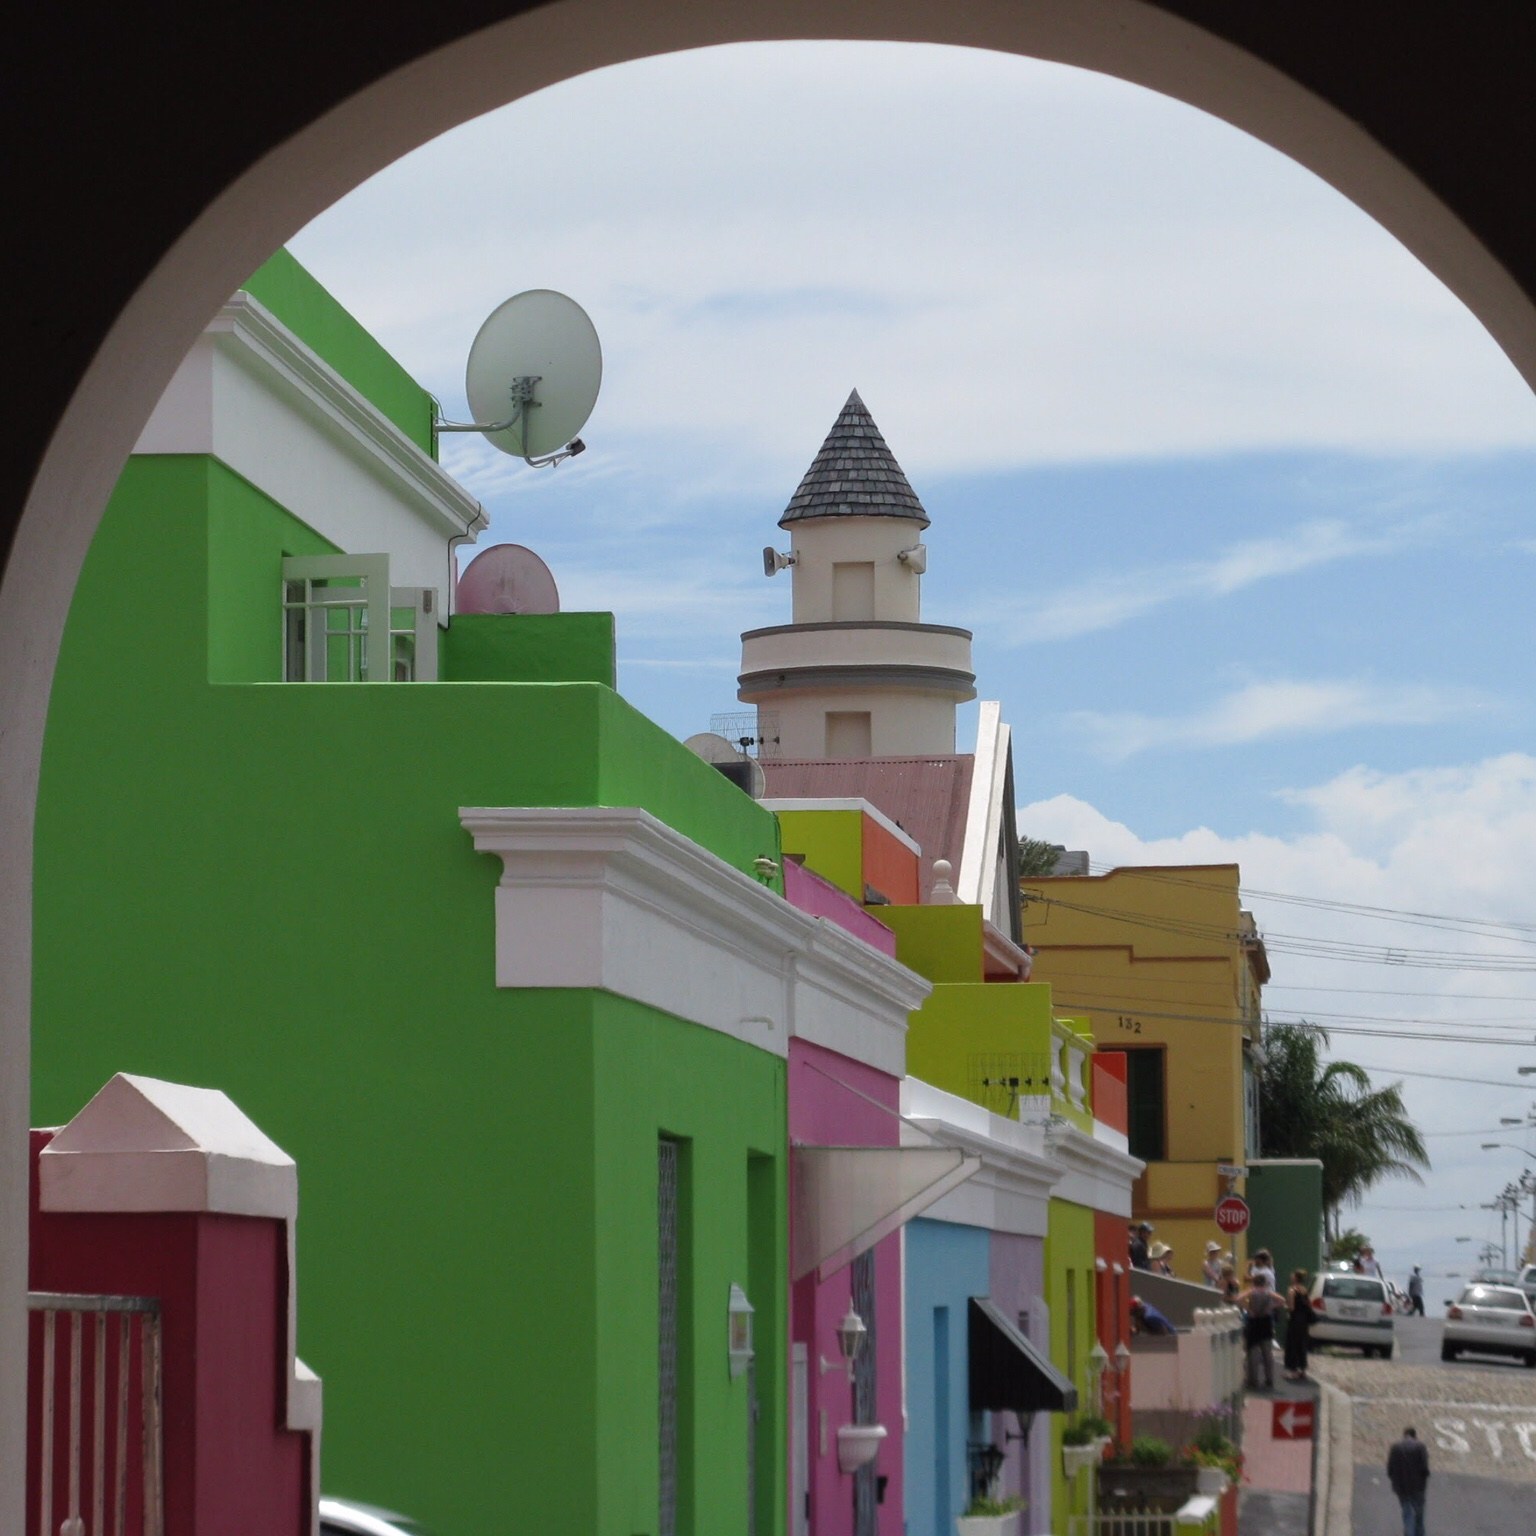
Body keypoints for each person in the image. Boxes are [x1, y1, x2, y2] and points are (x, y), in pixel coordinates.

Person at [1238, 1272, 1280, 1390]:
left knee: (1253, 1352)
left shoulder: (1252, 1291)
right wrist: (1270, 1307)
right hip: (1265, 1322)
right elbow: (1281, 1300)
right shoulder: (1267, 1292)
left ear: (1254, 1282)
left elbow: (1239, 1298)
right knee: (1267, 1352)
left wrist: (1248, 1308)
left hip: (1254, 1322)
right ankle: (1269, 1379)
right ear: (1264, 1282)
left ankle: (1253, 1380)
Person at [1386, 1425, 1430, 1536]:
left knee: (1407, 1512)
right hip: (1418, 1487)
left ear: (1404, 1435)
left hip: (1402, 1487)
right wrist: (1424, 1479)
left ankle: (1409, 1533)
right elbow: (1424, 1468)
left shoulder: (1395, 1447)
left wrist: (1394, 1481)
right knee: (1419, 1513)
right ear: (1415, 1436)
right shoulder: (1420, 1447)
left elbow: (1390, 1469)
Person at [1283, 1268, 1314, 1380]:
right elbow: (1309, 1304)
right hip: (1304, 1321)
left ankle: (1293, 1370)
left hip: (1295, 1320)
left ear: (1295, 1278)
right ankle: (1302, 1369)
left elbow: (1291, 1307)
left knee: (1292, 1344)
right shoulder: (1304, 1290)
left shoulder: (1292, 1290)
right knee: (1302, 1344)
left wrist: (1285, 1306)